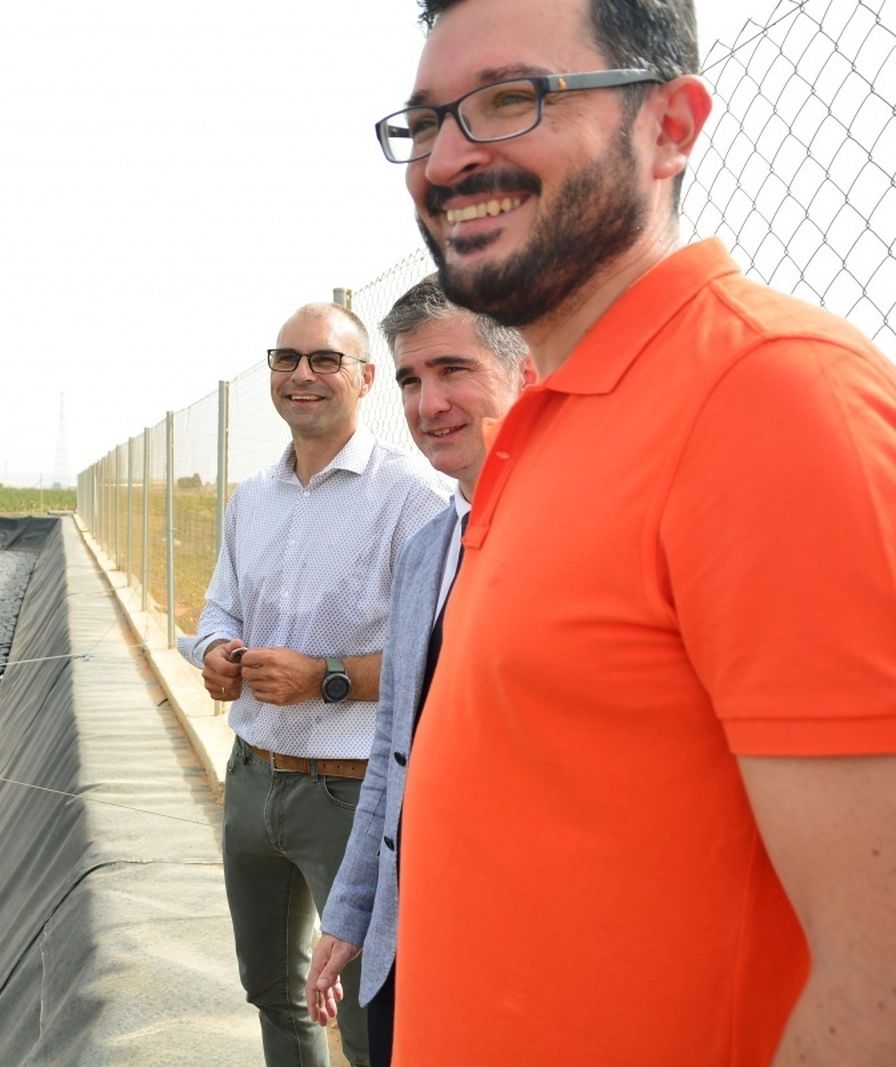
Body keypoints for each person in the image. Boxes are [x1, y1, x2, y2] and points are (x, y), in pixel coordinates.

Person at [370, 0, 896, 1064]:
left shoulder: (773, 400)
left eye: (510, 99)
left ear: (671, 126)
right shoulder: (545, 425)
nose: (447, 159)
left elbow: (878, 981)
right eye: (424, 123)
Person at [179, 301, 445, 1066]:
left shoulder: (411, 498)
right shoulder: (251, 498)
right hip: (252, 776)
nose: (302, 374)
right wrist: (218, 651)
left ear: (366, 378)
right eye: (286, 358)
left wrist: (324, 677)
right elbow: (220, 607)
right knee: (272, 989)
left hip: (351, 795)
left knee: (366, 1015)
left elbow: (438, 656)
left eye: (325, 359)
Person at [302, 276, 534, 1067]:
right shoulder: (427, 548)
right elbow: (391, 755)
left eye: (454, 370)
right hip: (413, 941)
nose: (428, 403)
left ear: (525, 371)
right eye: (409, 379)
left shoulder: (572, 540)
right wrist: (351, 912)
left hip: (521, 957)